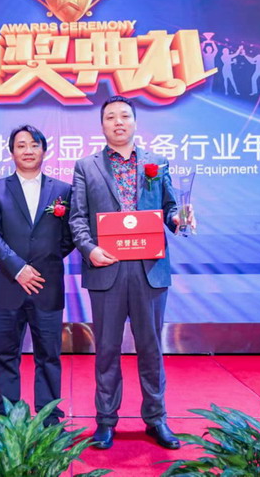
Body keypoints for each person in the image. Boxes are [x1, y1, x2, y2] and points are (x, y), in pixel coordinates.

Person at [69, 96, 196, 450]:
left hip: (149, 270)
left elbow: (170, 209)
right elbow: (77, 218)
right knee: (107, 349)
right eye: (110, 117)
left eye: (125, 116)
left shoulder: (157, 162)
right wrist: (90, 249)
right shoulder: (86, 167)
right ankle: (105, 421)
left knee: (151, 348)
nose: (118, 122)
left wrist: (180, 218)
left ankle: (156, 419)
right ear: (102, 125)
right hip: (106, 268)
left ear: (135, 122)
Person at [0, 125, 74, 426]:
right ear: (11, 152)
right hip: (9, 285)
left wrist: (45, 261)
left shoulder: (63, 191)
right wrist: (18, 268)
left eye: (34, 145)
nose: (28, 151)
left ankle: (49, 419)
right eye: (21, 145)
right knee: (4, 354)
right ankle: (7, 419)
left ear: (44, 150)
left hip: (47, 285)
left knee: (49, 356)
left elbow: (70, 236)